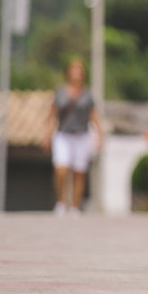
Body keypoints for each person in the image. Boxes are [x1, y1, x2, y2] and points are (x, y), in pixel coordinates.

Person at [44, 58, 103, 216]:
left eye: (79, 69)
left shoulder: (87, 94)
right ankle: (61, 202)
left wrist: (99, 135)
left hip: (82, 136)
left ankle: (75, 206)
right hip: (63, 135)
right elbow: (52, 114)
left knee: (79, 172)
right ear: (68, 72)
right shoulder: (61, 92)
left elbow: (94, 116)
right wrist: (47, 134)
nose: (76, 72)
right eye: (73, 69)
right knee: (61, 170)